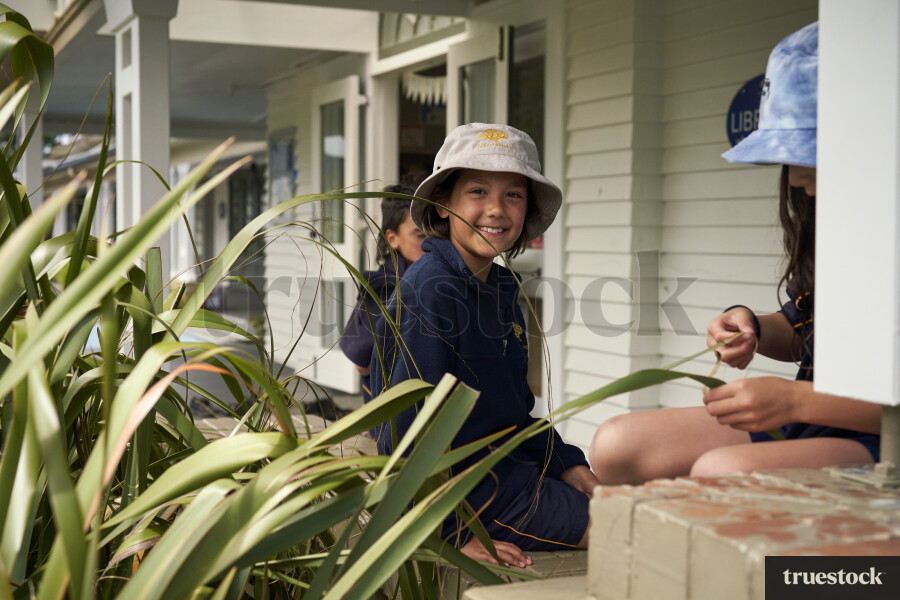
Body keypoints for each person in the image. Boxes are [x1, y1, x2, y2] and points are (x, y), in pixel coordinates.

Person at [588, 22, 881, 485]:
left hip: (877, 433)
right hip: (813, 415)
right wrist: (754, 327)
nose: (796, 177)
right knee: (616, 445)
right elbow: (806, 328)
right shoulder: (837, 222)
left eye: (809, 152)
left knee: (722, 474)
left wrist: (794, 401)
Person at [369, 123, 600, 567]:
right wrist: (446, 532)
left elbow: (515, 414)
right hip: (474, 499)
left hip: (512, 473)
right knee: (631, 529)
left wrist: (566, 462)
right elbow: (401, 431)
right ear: (442, 204)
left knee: (633, 497)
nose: (496, 209)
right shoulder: (431, 291)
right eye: (477, 191)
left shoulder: (500, 288)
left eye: (513, 195)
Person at [339, 174, 427, 403]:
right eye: (419, 235)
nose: (430, 243)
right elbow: (362, 364)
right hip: (393, 414)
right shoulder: (384, 287)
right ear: (393, 239)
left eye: (436, 233)